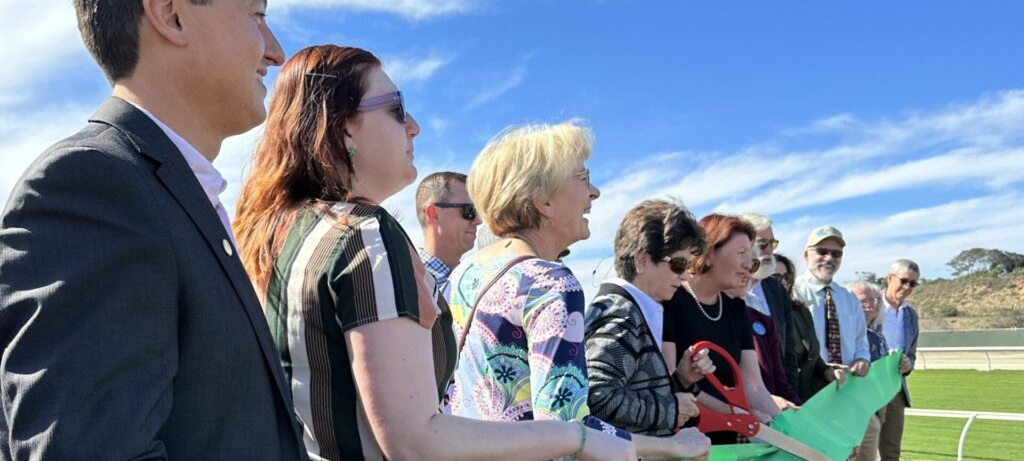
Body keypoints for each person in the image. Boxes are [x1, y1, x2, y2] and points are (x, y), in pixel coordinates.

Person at [234, 44, 647, 461]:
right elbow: (415, 441)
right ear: (343, 127)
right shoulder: (365, 235)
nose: (414, 126)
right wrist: (577, 437)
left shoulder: (284, 232)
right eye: (397, 109)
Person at [0, 1, 305, 459]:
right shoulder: (94, 185)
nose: (275, 52)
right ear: (171, 15)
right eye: (256, 15)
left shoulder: (164, 193)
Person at [449, 121, 710, 460]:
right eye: (583, 178)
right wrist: (672, 446)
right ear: (543, 201)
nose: (594, 192)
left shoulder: (466, 273)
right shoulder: (550, 283)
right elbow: (567, 429)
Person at [584, 199, 714, 436]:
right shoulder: (621, 314)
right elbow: (597, 398)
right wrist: (670, 409)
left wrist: (681, 378)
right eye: (679, 264)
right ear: (642, 260)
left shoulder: (629, 310)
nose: (686, 276)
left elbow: (629, 390)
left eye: (688, 266)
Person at [661, 214, 781, 444]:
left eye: (750, 255)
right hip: (684, 441)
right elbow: (670, 381)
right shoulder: (671, 300)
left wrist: (788, 429)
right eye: (741, 253)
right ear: (708, 252)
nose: (749, 264)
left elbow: (755, 387)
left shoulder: (736, 309)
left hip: (730, 439)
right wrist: (736, 414)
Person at [414, 171, 482, 407]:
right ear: (434, 213)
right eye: (469, 211)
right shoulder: (408, 282)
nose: (478, 221)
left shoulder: (478, 283)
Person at [792, 226, 871, 380]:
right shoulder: (793, 292)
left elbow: (860, 340)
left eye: (836, 253)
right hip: (808, 383)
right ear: (806, 255)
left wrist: (862, 358)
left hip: (846, 382)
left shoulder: (849, 298)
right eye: (822, 251)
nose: (829, 258)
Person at [774, 254, 846, 402]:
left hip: (808, 399)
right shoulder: (757, 314)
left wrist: (827, 371)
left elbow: (812, 357)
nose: (784, 282)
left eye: (787, 277)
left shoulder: (800, 311)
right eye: (776, 278)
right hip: (778, 403)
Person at [739, 213, 798, 388]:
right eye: (762, 244)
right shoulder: (725, 288)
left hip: (778, 392)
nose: (769, 251)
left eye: (772, 244)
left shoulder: (776, 289)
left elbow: (788, 351)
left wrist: (790, 392)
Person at [878, 260, 922, 461]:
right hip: (868, 385)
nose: (907, 287)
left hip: (896, 388)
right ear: (889, 278)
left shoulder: (911, 315)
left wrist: (908, 364)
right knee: (861, 449)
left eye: (912, 283)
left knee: (891, 451)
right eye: (903, 281)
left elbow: (911, 352)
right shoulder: (870, 306)